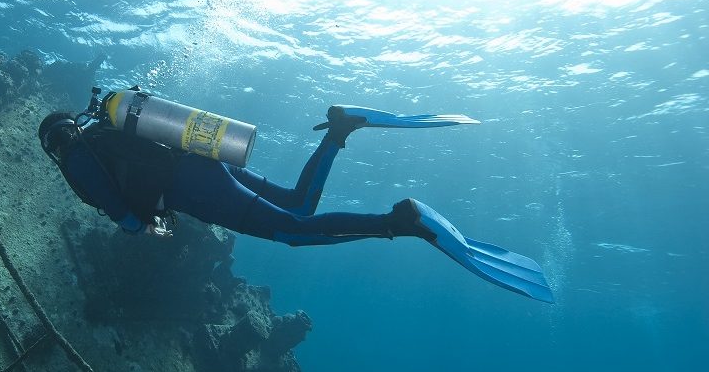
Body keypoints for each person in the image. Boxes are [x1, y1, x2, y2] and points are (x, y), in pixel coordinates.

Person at [39, 97, 554, 303]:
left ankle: (401, 222)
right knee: (298, 204)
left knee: (292, 231)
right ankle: (341, 129)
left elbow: (123, 215)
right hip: (204, 162)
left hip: (194, 188)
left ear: (51, 142)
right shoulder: (106, 129)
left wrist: (142, 225)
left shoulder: (76, 158)